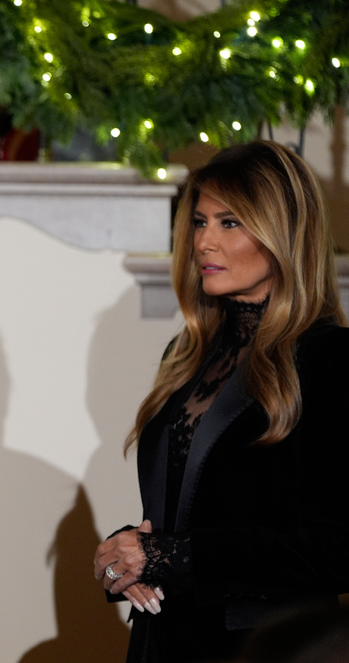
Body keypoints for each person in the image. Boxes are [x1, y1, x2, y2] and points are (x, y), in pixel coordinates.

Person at [92, 141, 349, 663]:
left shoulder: (331, 359)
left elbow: (338, 548)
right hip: (162, 641)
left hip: (266, 647)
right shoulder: (186, 357)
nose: (205, 241)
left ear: (285, 233)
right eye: (199, 222)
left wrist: (174, 555)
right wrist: (128, 555)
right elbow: (189, 510)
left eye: (230, 222)